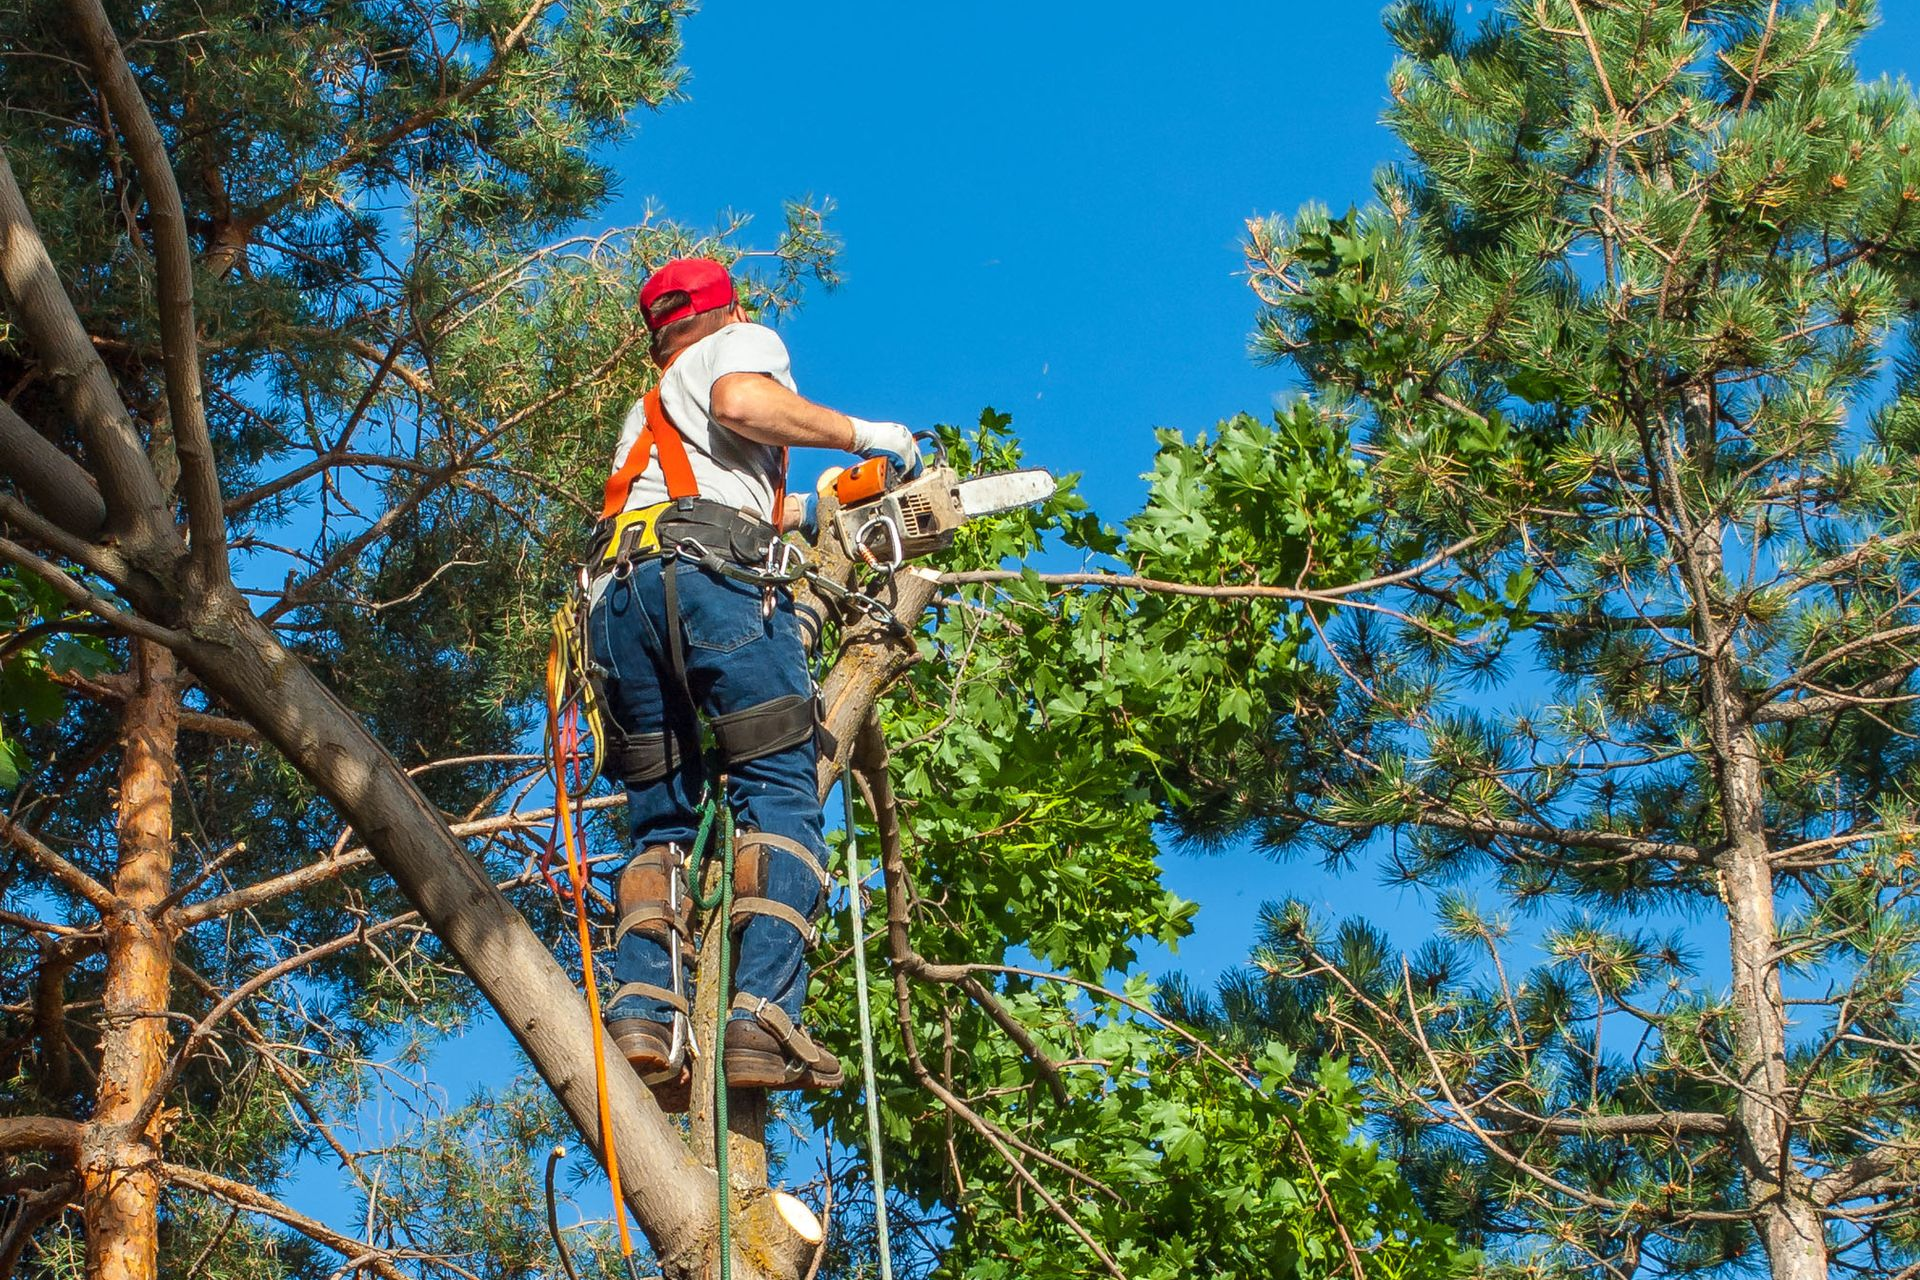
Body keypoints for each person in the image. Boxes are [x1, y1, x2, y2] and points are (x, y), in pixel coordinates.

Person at [584, 256, 920, 1095]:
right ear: (727, 314)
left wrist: (813, 508)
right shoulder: (738, 347)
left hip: (618, 603)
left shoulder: (652, 405)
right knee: (779, 792)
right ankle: (759, 1023)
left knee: (660, 823)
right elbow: (743, 404)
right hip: (713, 584)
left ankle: (645, 1015)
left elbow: (701, 484)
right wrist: (864, 435)